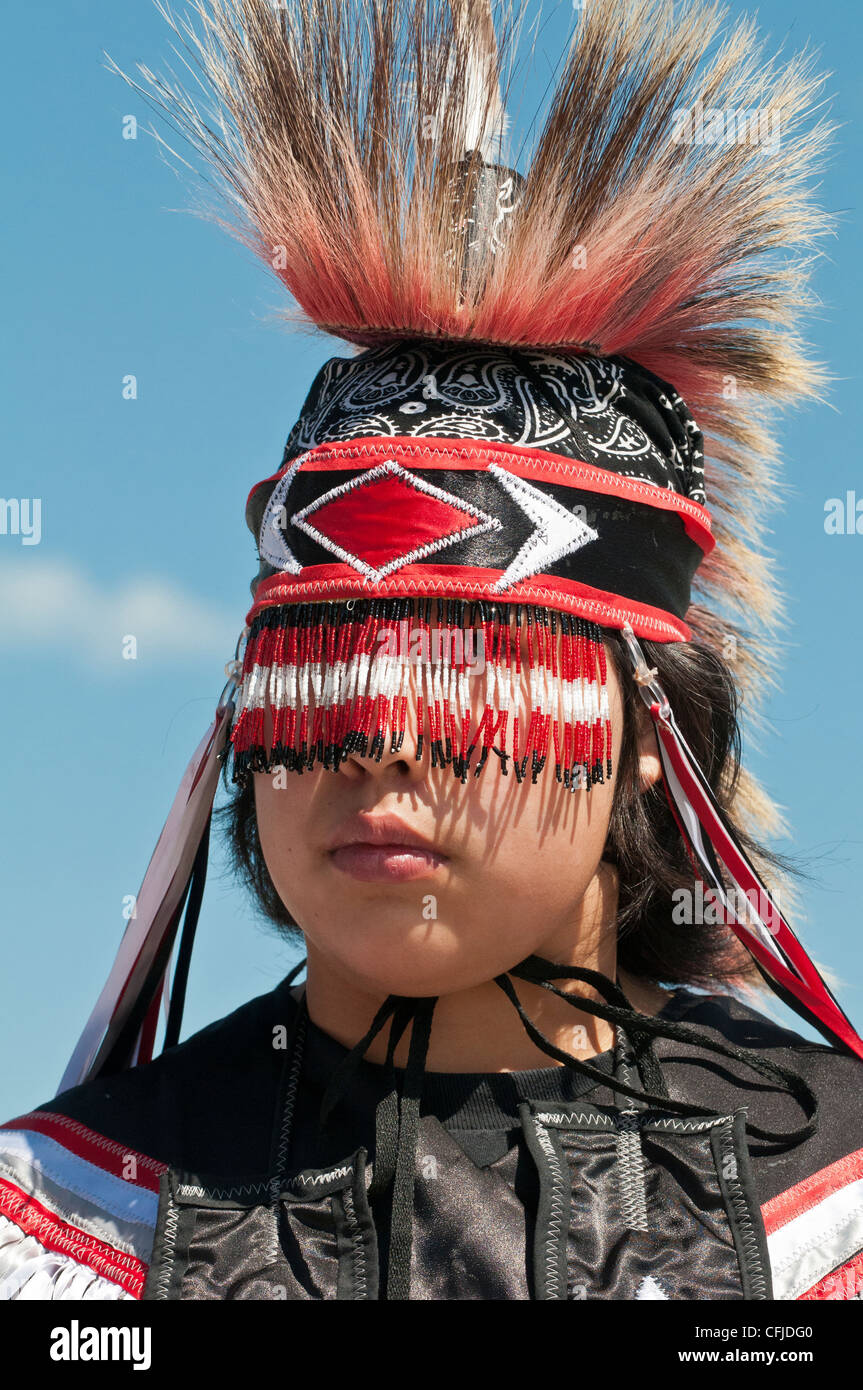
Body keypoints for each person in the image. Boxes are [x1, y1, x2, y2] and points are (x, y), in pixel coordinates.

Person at [2, 0, 862, 1302]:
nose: (384, 748)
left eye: (470, 679)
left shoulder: (827, 1212)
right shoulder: (71, 1222)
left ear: (646, 736)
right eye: (323, 681)